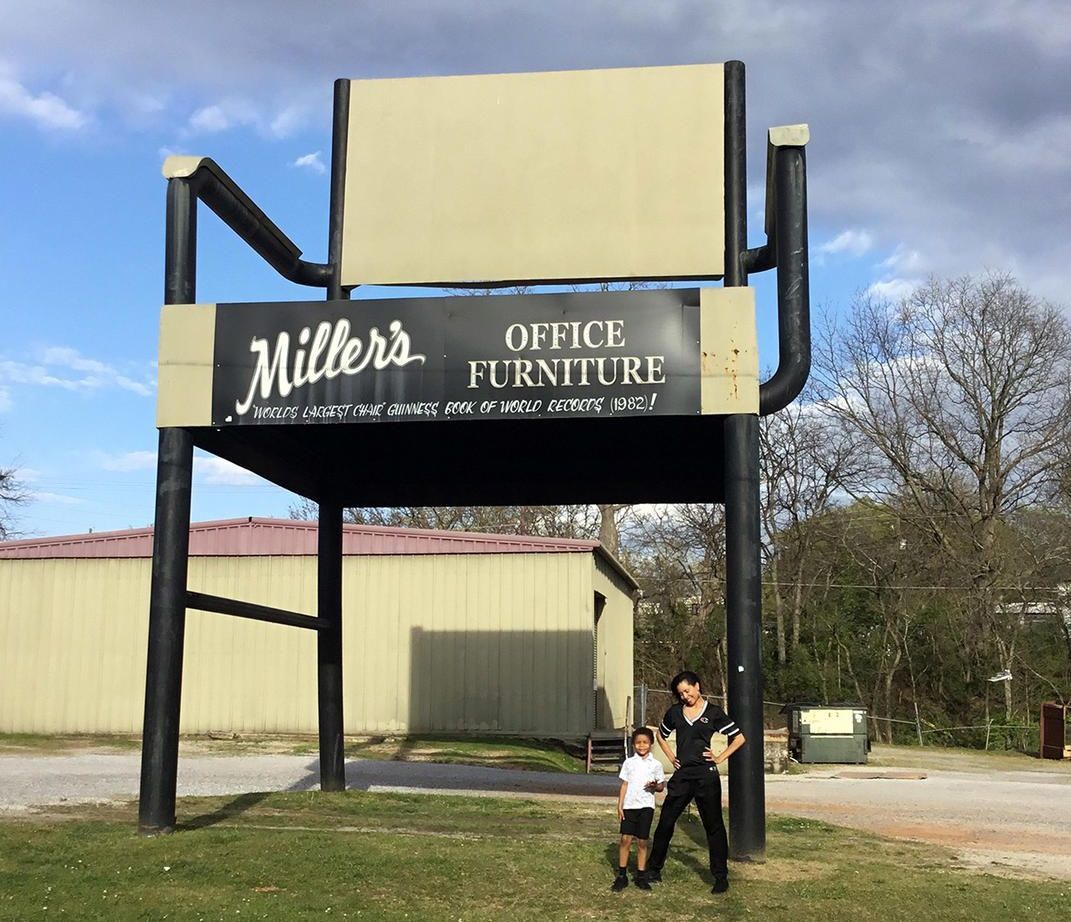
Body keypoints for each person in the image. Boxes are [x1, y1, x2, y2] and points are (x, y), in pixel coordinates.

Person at [646, 670, 746, 894]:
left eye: (687, 691)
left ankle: (720, 877)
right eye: (680, 693)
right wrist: (672, 757)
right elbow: (661, 735)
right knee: (665, 823)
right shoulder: (674, 713)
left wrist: (720, 757)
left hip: (706, 777)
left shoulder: (714, 713)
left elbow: (739, 738)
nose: (685, 696)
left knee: (714, 826)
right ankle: (653, 869)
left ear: (697, 687)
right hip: (682, 778)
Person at [611, 727, 666, 891]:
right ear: (634, 744)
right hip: (629, 806)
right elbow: (625, 784)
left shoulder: (656, 765)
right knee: (625, 839)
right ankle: (622, 875)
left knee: (642, 841)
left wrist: (655, 786)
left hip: (646, 807)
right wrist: (620, 805)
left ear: (651, 744)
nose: (642, 746)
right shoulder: (629, 763)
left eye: (645, 743)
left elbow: (661, 786)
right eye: (638, 743)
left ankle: (641, 876)